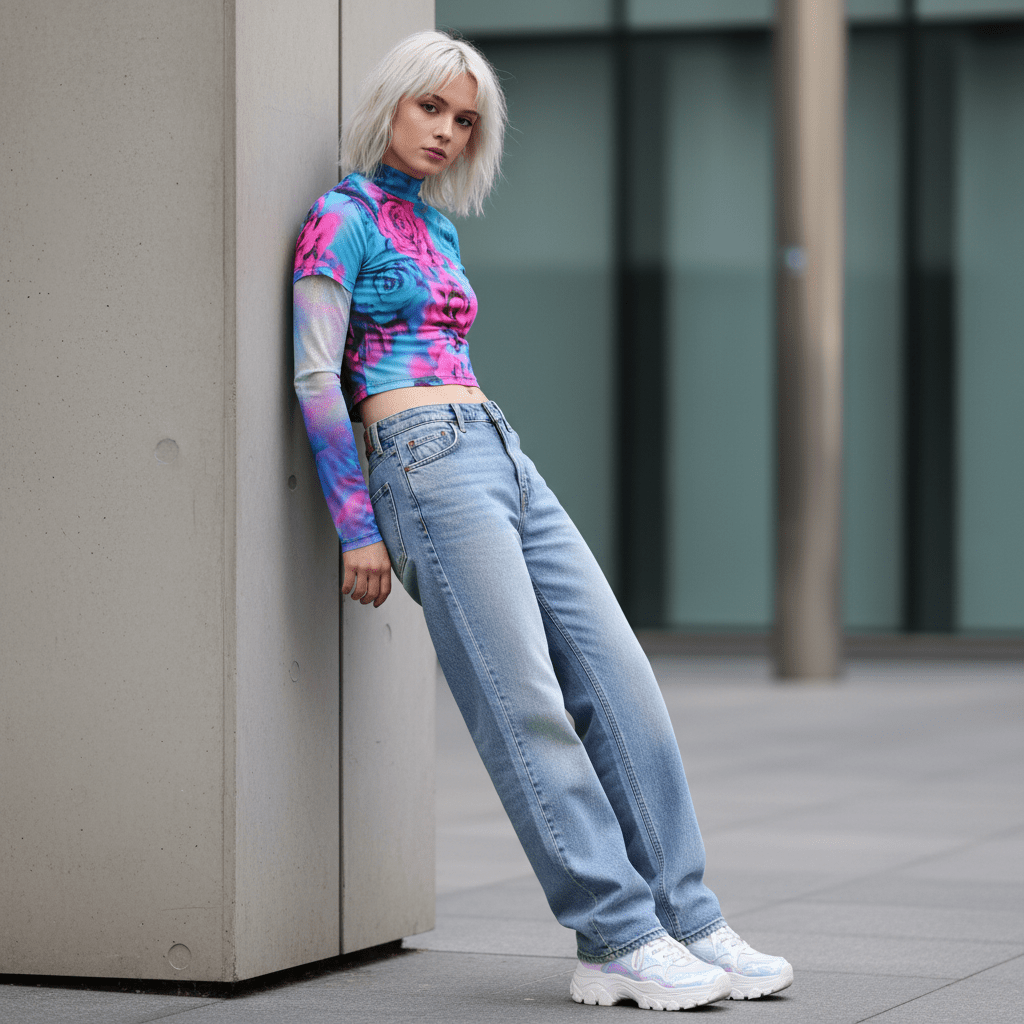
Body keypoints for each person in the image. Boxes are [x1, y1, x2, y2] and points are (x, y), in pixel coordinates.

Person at [293, 30, 792, 1011]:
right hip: (420, 460)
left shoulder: (436, 229)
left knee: (622, 679)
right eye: (430, 107)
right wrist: (356, 523)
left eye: (464, 120)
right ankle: (613, 935)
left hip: (494, 444)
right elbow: (316, 375)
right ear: (390, 102)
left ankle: (687, 917)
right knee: (523, 700)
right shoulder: (337, 219)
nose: (445, 131)